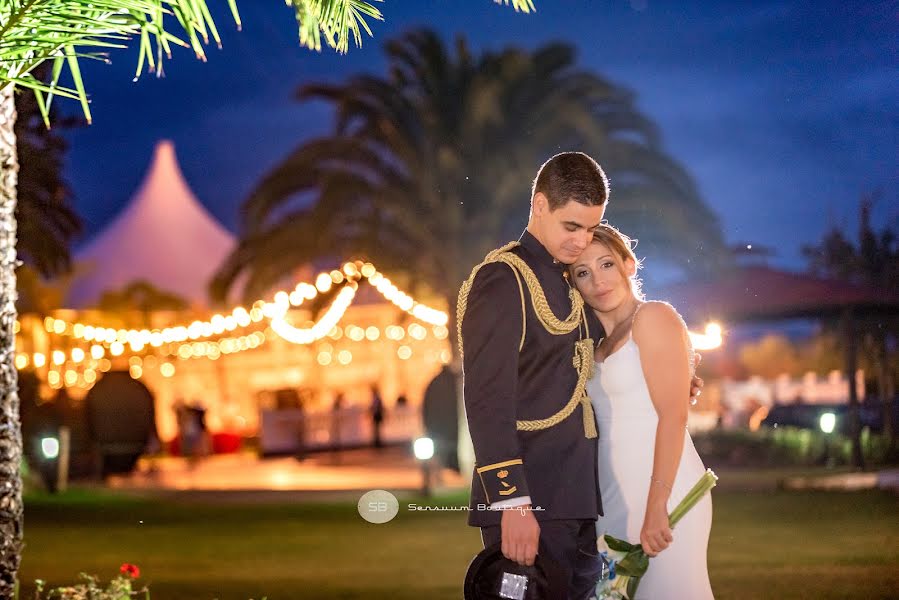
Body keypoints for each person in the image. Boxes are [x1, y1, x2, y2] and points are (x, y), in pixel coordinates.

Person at [458, 152, 610, 599]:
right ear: (539, 205)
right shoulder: (503, 280)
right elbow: (487, 401)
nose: (583, 241)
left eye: (590, 228)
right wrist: (513, 504)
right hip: (532, 500)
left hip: (576, 497)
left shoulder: (569, 281)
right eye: (572, 226)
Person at [572, 224, 714, 599]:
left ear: (628, 265)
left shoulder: (653, 318)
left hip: (662, 493)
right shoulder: (594, 345)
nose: (597, 280)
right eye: (583, 272)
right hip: (613, 501)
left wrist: (657, 505)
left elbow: (674, 416)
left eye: (606, 264)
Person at [422, 364, 461, 473]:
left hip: (438, 430)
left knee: (441, 456)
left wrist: (428, 427)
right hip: (453, 427)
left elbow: (426, 408)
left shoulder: (434, 383)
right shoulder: (456, 382)